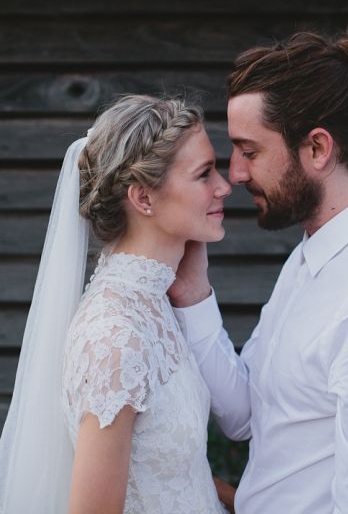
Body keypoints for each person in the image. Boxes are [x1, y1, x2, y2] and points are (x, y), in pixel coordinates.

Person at [169, 26, 348, 514]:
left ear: (318, 148)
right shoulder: (313, 253)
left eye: (250, 150)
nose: (234, 173)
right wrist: (192, 291)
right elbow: (247, 416)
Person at [0, 94, 232, 514]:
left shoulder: (153, 302)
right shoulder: (115, 338)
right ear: (144, 198)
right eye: (204, 174)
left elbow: (166, 468)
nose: (224, 187)